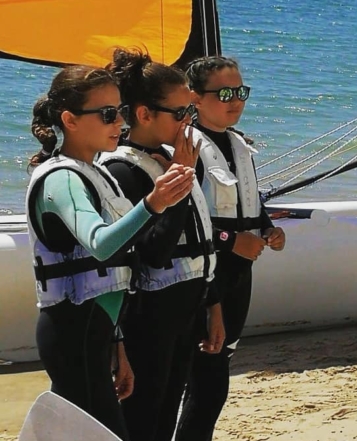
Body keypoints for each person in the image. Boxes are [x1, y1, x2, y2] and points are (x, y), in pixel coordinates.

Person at [26, 65, 194, 439]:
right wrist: (154, 202)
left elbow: (107, 281)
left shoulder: (94, 172)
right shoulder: (62, 179)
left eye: (120, 111)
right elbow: (101, 244)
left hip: (94, 334)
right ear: (69, 119)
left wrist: (117, 345)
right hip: (73, 334)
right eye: (106, 114)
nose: (119, 121)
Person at [96, 48, 225, 441]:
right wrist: (180, 185)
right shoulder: (122, 169)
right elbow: (153, 252)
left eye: (191, 112)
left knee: (168, 414)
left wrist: (213, 304)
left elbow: (201, 238)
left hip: (186, 307)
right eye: (180, 114)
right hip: (148, 317)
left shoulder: (172, 159)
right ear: (144, 114)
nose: (190, 123)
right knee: (143, 420)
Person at [175, 56, 286, 441]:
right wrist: (232, 241)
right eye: (224, 93)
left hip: (240, 275)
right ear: (195, 97)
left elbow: (249, 204)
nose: (235, 100)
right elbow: (183, 221)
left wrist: (269, 229)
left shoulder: (239, 144)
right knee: (206, 384)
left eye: (240, 91)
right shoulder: (186, 148)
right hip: (206, 281)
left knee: (217, 375)